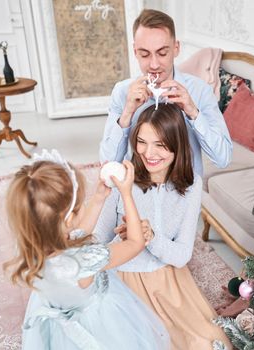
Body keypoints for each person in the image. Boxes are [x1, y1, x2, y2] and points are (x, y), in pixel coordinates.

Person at [95, 104, 232, 349]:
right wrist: (126, 240)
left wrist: (150, 237)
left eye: (160, 144)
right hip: (123, 284)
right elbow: (97, 239)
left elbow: (181, 256)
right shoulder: (121, 179)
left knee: (209, 343)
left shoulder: (192, 186)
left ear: (177, 144)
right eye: (142, 142)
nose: (149, 153)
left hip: (169, 283)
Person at [4, 150, 169, 350]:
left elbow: (78, 232)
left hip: (63, 326)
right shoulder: (85, 260)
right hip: (99, 324)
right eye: (80, 204)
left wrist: (99, 198)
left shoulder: (33, 245)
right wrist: (127, 194)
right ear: (68, 219)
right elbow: (135, 243)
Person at [99, 8, 232, 175]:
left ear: (176, 48)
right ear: (135, 52)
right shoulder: (122, 91)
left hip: (184, 196)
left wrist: (193, 112)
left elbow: (223, 158)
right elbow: (107, 162)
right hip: (135, 194)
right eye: (145, 54)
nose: (154, 64)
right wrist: (127, 114)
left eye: (162, 53)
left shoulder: (200, 91)